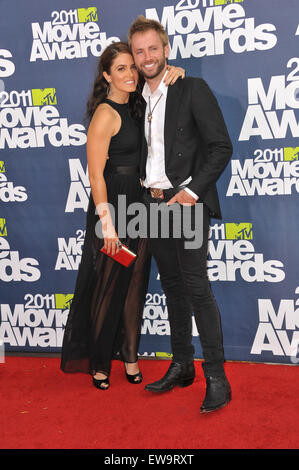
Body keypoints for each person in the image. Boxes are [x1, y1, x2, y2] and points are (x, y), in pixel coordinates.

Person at [60, 42, 184, 390]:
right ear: (106, 75)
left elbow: (165, 86)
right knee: (108, 286)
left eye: (132, 67)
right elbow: (96, 175)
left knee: (135, 286)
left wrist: (178, 73)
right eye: (121, 69)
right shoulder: (106, 114)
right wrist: (107, 224)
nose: (130, 74)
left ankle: (130, 356)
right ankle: (100, 363)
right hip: (112, 208)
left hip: (140, 205)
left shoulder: (139, 104)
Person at [128, 16, 233, 412]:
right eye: (140, 51)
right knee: (171, 285)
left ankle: (218, 378)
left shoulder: (191, 88)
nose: (147, 57)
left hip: (184, 204)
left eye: (154, 48)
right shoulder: (136, 96)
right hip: (150, 205)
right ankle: (182, 364)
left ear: (167, 49)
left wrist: (190, 193)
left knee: (196, 287)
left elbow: (221, 147)